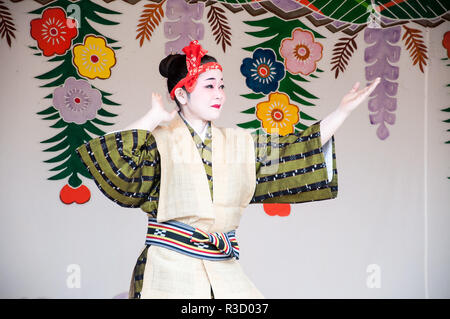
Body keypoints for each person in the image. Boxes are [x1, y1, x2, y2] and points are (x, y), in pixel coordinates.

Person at [75, 40, 380, 299]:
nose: (219, 93)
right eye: (209, 86)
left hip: (222, 268)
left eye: (221, 86)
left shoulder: (238, 142)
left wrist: (342, 112)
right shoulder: (157, 143)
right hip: (167, 267)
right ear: (182, 94)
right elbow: (114, 160)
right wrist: (154, 116)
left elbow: (293, 149)